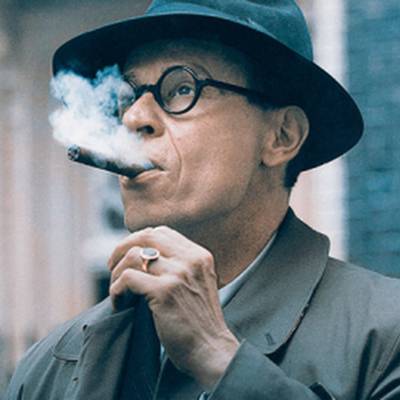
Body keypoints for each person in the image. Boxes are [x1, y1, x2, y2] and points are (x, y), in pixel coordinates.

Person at [5, 0, 400, 399]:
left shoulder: (386, 339)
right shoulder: (45, 370)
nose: (133, 118)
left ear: (282, 136)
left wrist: (216, 354)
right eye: (127, 96)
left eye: (182, 89)